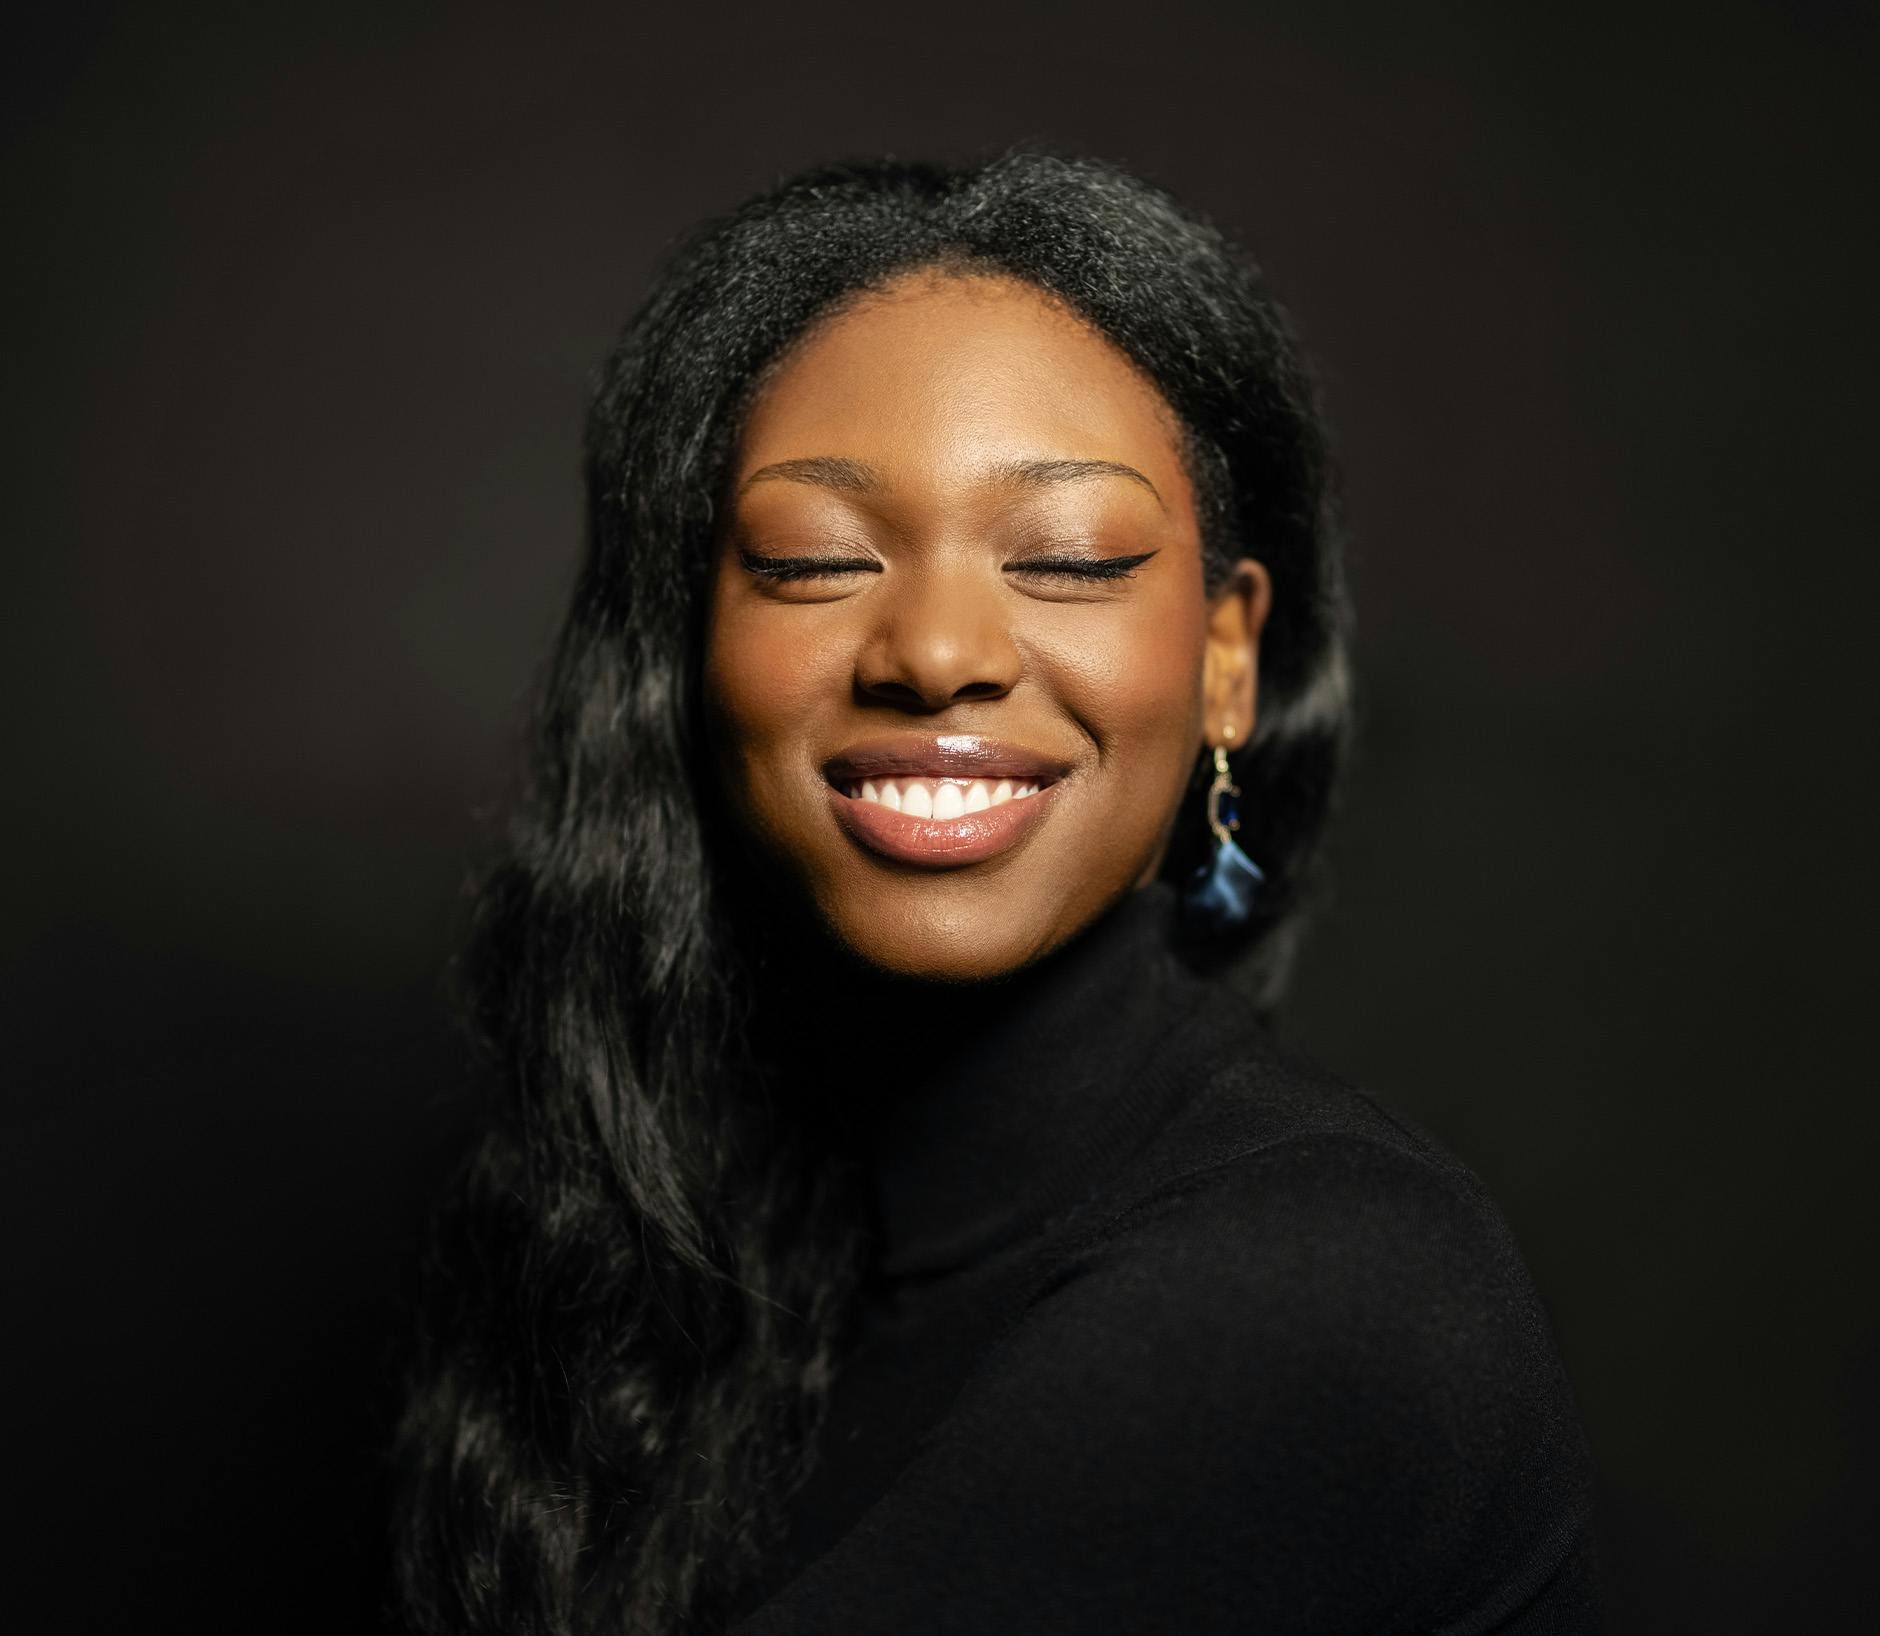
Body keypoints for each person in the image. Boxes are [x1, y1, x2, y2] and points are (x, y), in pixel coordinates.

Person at [390, 151, 1598, 1635]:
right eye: (814, 558)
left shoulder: (1315, 1293)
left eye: (1072, 560)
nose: (936, 649)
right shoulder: (701, 1259)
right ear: (688, 658)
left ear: (1227, 662)